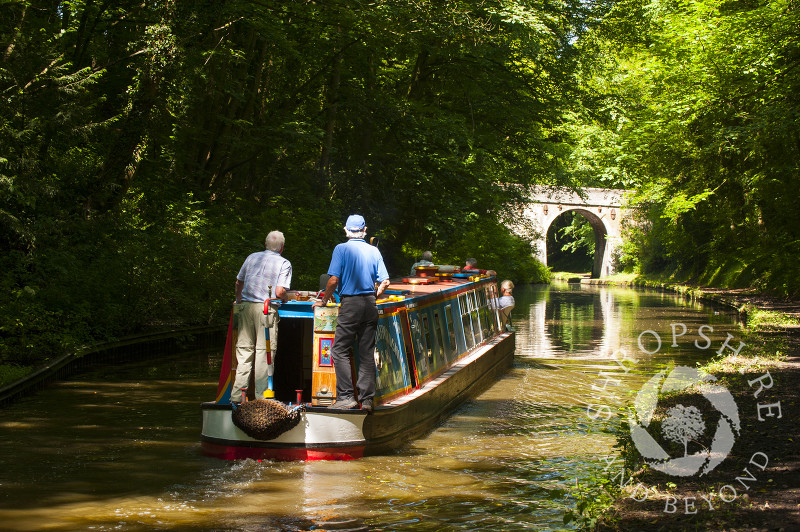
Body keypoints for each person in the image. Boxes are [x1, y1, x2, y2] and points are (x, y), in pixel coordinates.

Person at [313, 215, 390, 413]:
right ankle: (366, 400)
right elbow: (385, 281)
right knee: (365, 352)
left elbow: (333, 280)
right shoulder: (374, 250)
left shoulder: (341, 249)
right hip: (370, 305)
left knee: (339, 350)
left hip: (350, 304)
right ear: (365, 230)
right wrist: (375, 294)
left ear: (346, 231)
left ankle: (346, 396)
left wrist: (323, 300)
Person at [231, 230, 292, 403]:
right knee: (263, 353)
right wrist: (286, 298)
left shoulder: (252, 258)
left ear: (265, 244)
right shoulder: (284, 263)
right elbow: (280, 292)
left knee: (244, 352)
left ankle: (236, 397)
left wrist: (238, 300)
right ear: (281, 248)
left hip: (246, 308)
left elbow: (239, 282)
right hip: (265, 311)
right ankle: (260, 398)